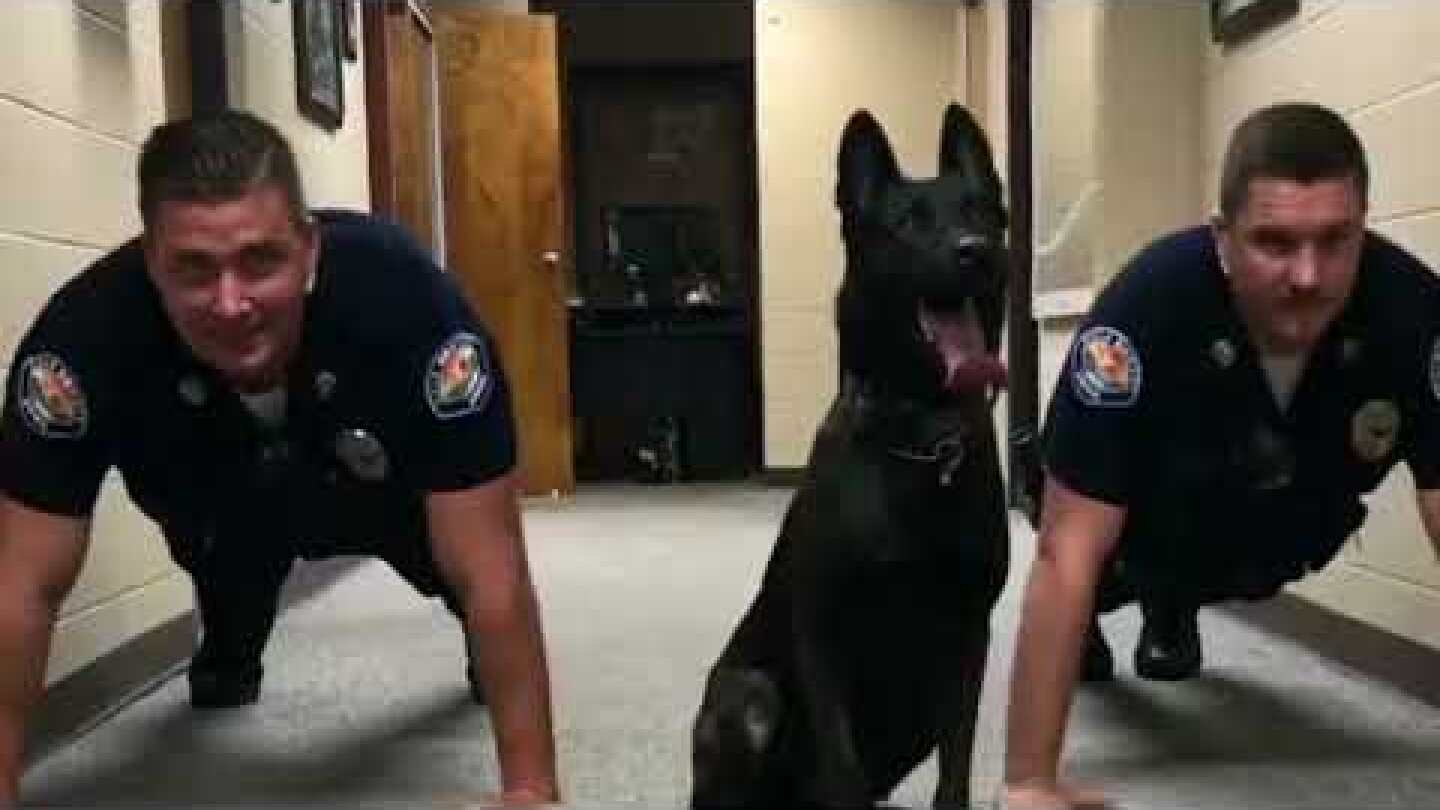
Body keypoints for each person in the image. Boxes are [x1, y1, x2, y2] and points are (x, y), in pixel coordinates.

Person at [0, 111, 558, 806]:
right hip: (219, 505)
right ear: (152, 263)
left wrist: (530, 792)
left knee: (469, 588)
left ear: (310, 250)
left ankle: (478, 654)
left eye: (260, 262)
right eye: (195, 270)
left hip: (385, 496)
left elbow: (493, 564)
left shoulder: (408, 302)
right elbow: (21, 586)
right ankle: (230, 646)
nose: (231, 305)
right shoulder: (81, 343)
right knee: (225, 633)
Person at [1001, 101, 1440, 809]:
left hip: (1280, 525)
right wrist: (1028, 782)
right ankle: (1130, 610)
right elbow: (1068, 552)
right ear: (1221, 238)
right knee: (1092, 550)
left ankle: (1174, 606)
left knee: (1253, 531)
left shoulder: (1414, 312)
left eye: (1336, 240)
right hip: (1142, 528)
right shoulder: (1145, 309)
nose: (1307, 275)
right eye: (1274, 241)